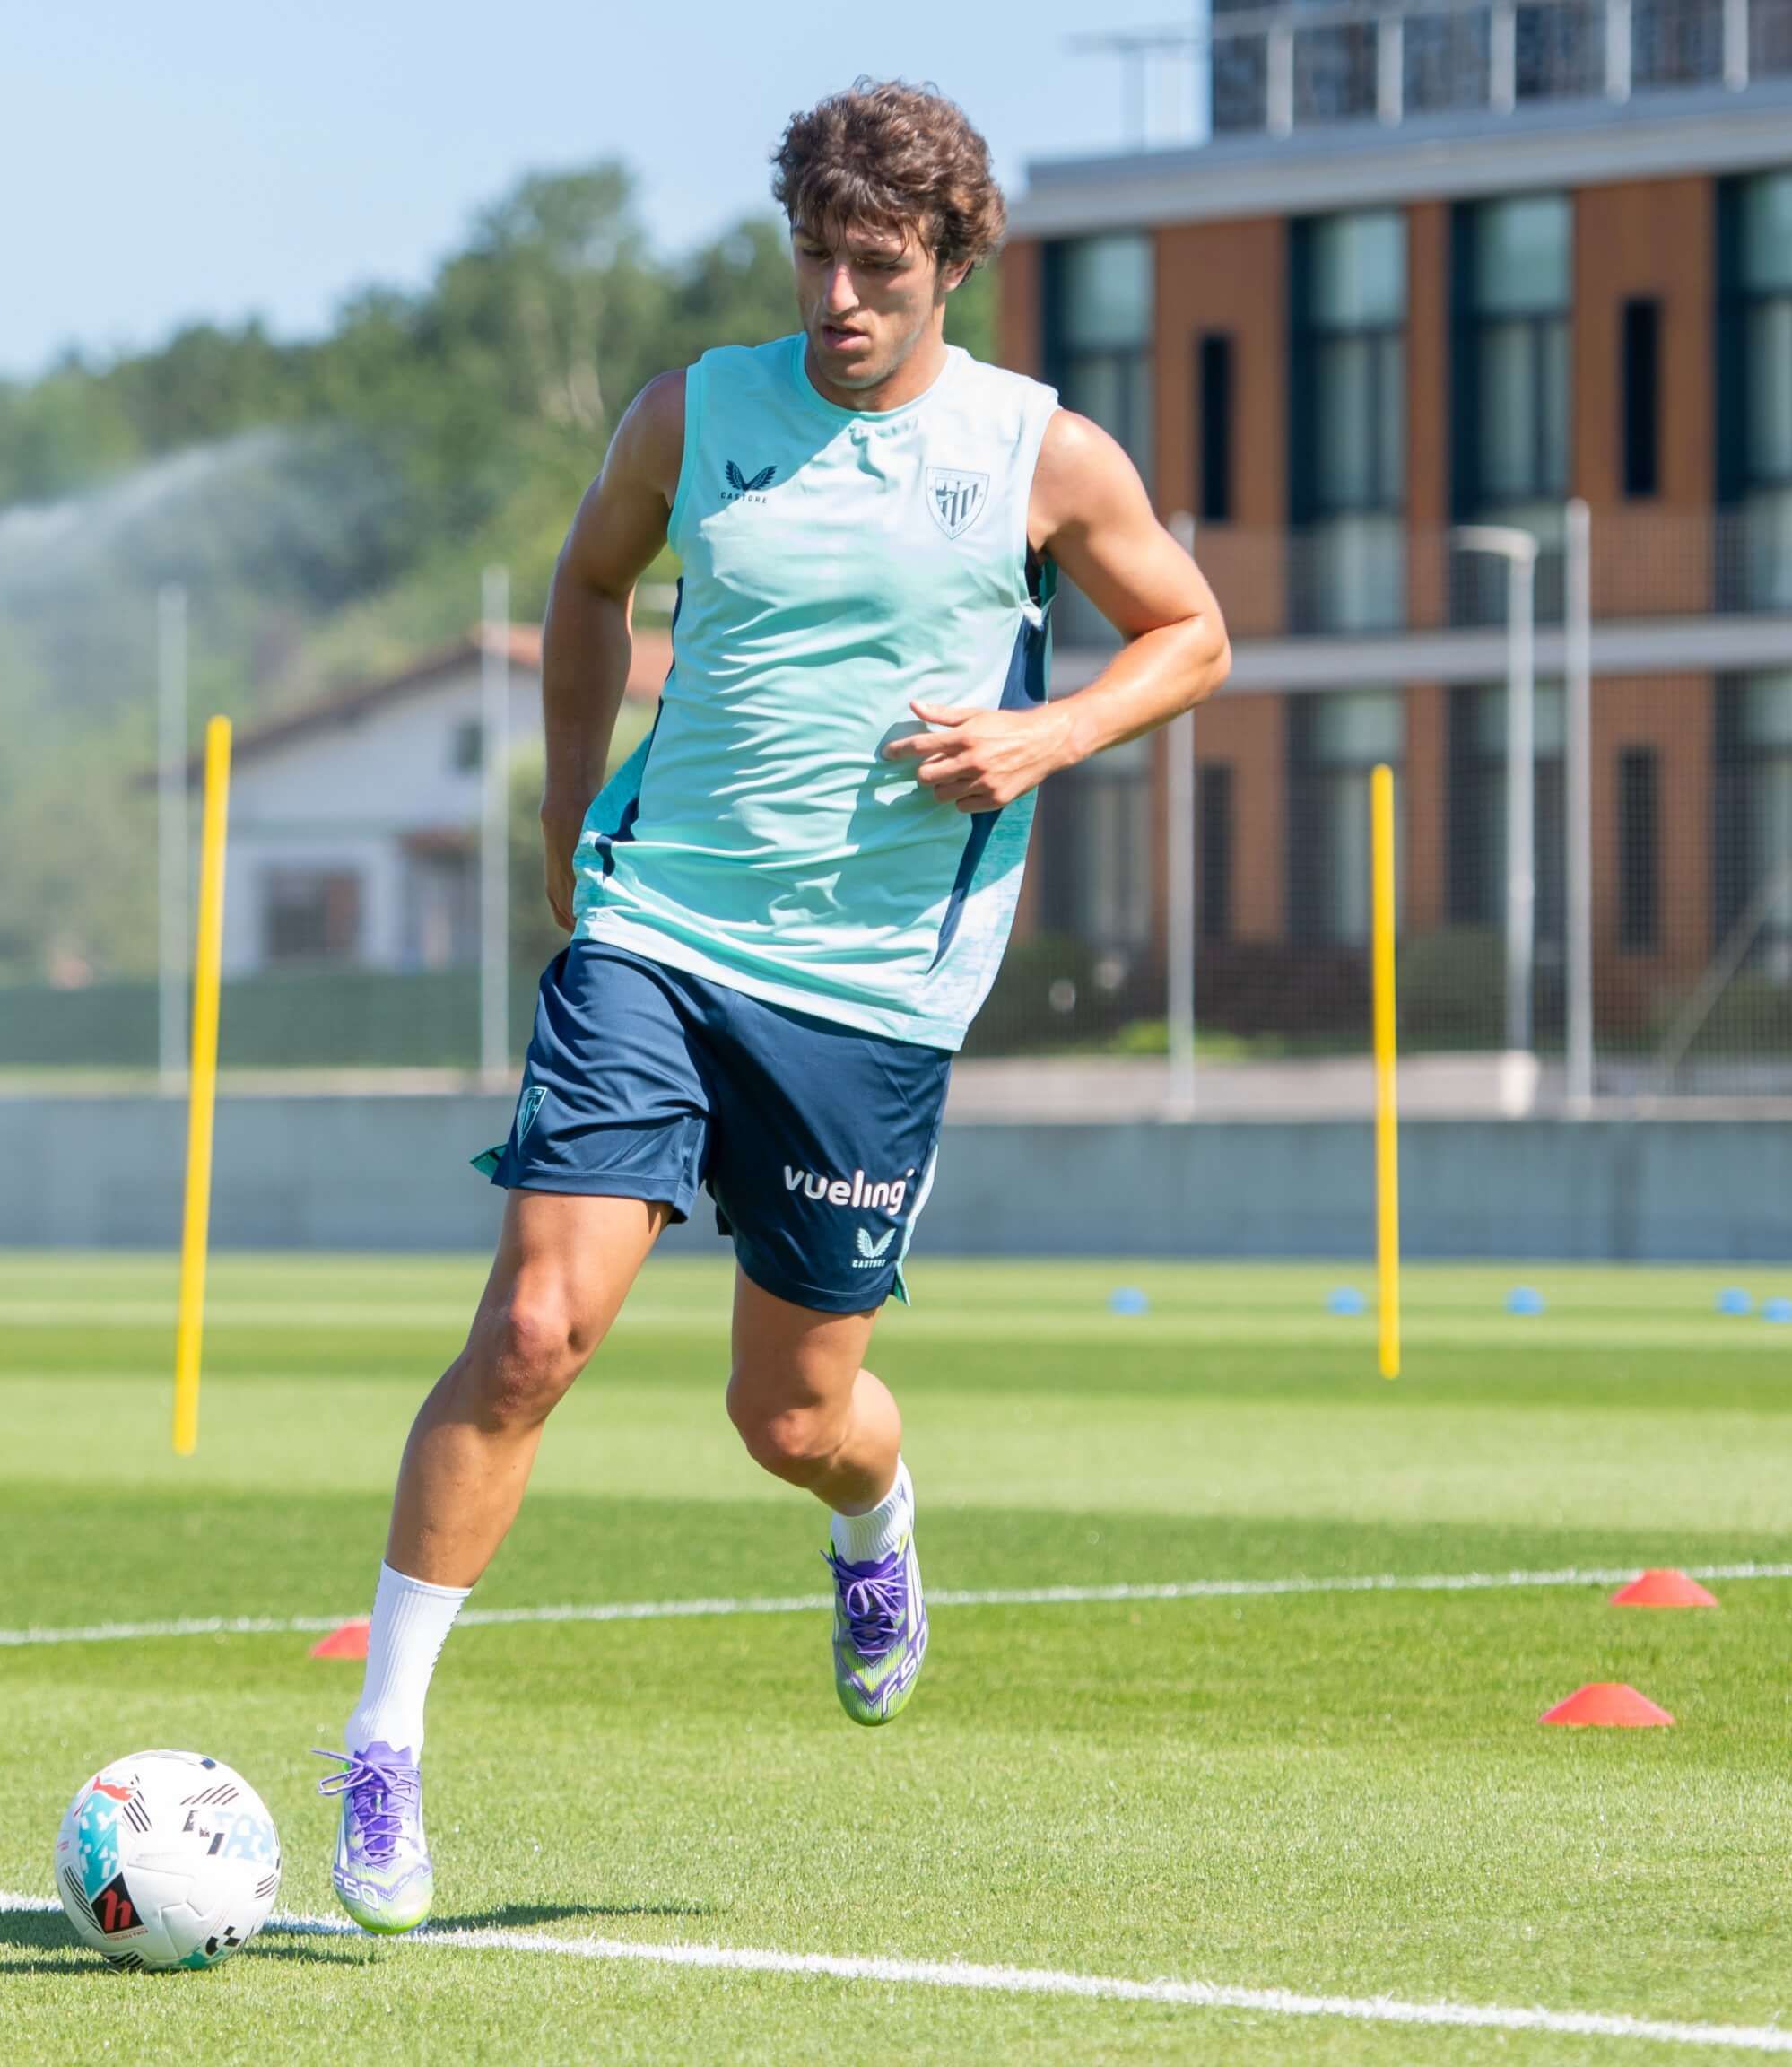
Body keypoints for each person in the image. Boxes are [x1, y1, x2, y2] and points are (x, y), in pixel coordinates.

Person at [319, 78, 1229, 1934]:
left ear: (949, 265)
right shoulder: (693, 410)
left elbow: (1191, 633)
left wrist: (1042, 733)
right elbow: (586, 584)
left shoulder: (1038, 455)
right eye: (814, 257)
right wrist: (579, 822)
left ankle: (871, 1534)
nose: (837, 300)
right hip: (654, 934)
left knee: (794, 1419)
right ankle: (386, 1748)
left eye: (876, 267)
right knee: (536, 1332)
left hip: (874, 998)